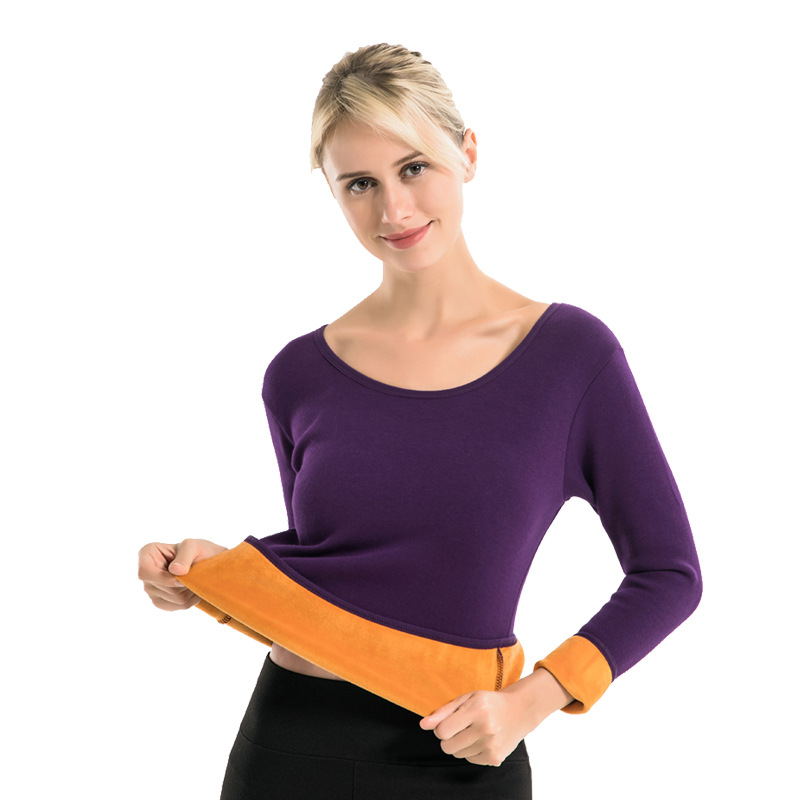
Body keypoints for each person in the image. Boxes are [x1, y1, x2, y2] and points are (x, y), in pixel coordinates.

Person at [137, 43, 702, 799]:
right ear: (333, 192)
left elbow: (670, 573)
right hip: (291, 746)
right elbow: (341, 567)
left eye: (413, 168)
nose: (394, 210)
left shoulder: (571, 357)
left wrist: (532, 701)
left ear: (468, 153)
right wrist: (221, 573)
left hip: (466, 754)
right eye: (360, 184)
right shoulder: (298, 374)